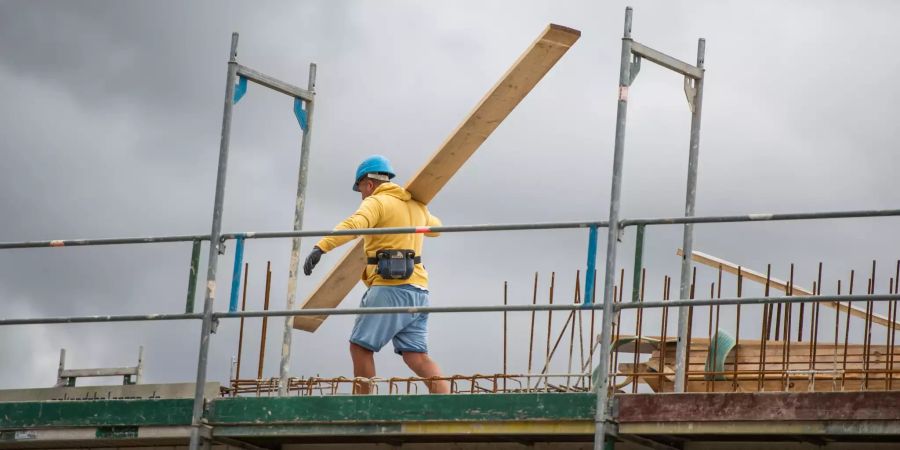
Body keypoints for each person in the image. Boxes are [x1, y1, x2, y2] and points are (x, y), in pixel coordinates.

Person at [303, 155, 450, 394]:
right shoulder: (415, 205)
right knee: (417, 356)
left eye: (360, 188)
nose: (361, 194)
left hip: (389, 289)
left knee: (360, 347)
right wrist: (416, 212)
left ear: (369, 184)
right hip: (419, 292)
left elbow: (355, 224)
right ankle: (448, 403)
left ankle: (363, 406)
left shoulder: (377, 202)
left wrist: (322, 246)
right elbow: (437, 229)